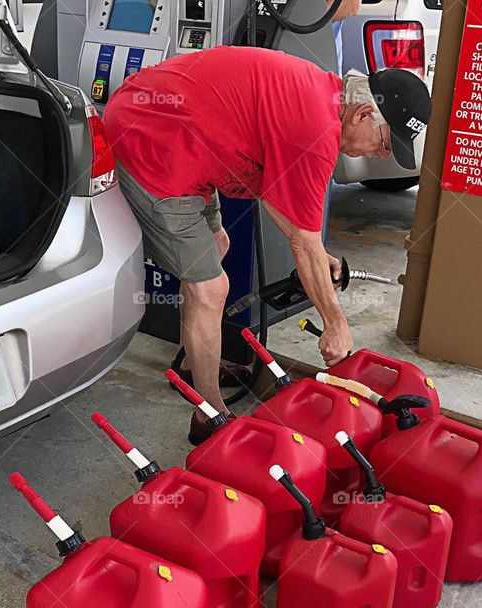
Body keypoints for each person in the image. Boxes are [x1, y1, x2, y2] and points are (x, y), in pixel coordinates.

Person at [102, 46, 430, 443]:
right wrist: (335, 325)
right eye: (382, 144)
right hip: (148, 140)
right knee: (209, 286)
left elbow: (282, 205)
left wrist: (313, 252)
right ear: (362, 114)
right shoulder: (316, 129)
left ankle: (192, 367)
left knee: (217, 246)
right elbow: (302, 239)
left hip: (185, 141)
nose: (378, 155)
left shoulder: (321, 97)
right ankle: (209, 416)